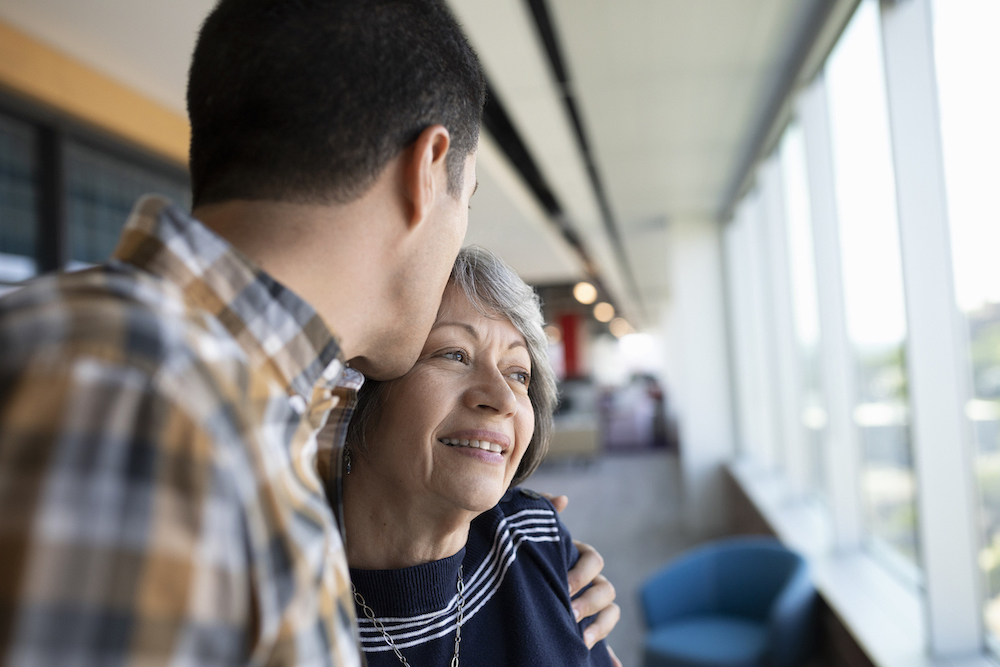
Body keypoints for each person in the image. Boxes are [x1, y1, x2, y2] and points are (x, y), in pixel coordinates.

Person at [0, 0, 617, 665]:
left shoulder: (249, 409)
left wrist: (524, 555)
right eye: (462, 203)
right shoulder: (156, 407)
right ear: (427, 170)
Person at [335, 246, 618, 666]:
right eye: (454, 354)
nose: (503, 398)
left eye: (518, 373)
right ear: (358, 395)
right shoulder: (274, 604)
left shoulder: (535, 534)